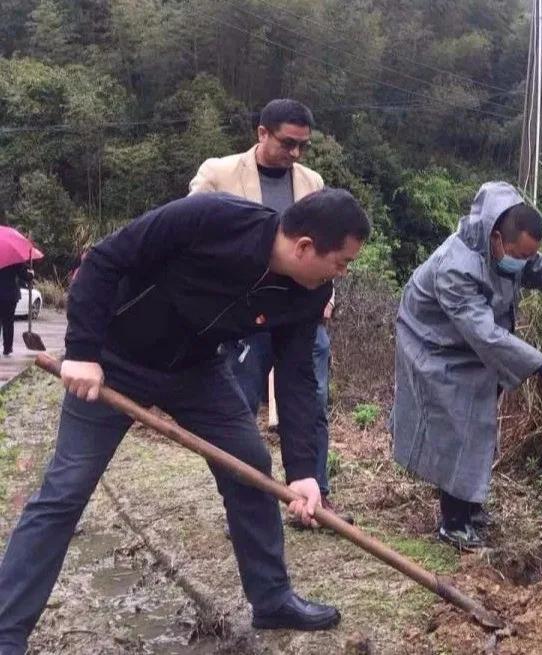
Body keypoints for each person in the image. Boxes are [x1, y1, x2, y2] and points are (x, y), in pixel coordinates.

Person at [0, 189, 370, 654]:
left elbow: (296, 380)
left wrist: (305, 474)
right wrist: (82, 353)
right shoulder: (211, 218)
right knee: (66, 487)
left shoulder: (309, 293)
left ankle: (272, 599)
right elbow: (105, 260)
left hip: (197, 371)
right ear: (304, 247)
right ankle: (7, 631)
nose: (343, 273)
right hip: (116, 359)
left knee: (250, 467)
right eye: (341, 262)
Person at [391, 182, 542, 550]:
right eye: (519, 253)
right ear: (497, 239)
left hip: (471, 345)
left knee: (479, 422)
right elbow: (484, 334)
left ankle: (470, 507)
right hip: (436, 345)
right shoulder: (456, 268)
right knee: (457, 427)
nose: (524, 260)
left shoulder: (503, 250)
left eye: (530, 254)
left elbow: (531, 267)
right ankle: (454, 523)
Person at [189, 99, 347, 524]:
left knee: (310, 399)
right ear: (262, 133)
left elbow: (327, 245)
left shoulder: (312, 182)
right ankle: (244, 504)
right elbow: (192, 239)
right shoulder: (218, 174)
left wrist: (325, 294)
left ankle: (313, 497)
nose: (295, 154)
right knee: (238, 409)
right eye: (287, 143)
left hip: (300, 312)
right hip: (243, 317)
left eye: (302, 146)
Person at [0, 262, 31, 356]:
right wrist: (31, 273)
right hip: (10, 295)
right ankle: (7, 348)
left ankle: (8, 347)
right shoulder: (14, 260)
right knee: (8, 322)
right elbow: (24, 276)